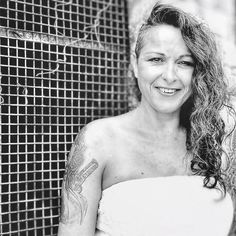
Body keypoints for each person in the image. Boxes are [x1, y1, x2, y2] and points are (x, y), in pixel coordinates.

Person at [57, 2, 236, 236]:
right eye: (156, 59)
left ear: (197, 72)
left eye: (184, 63)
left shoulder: (213, 143)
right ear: (135, 65)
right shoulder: (99, 141)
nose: (170, 76)